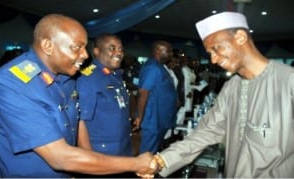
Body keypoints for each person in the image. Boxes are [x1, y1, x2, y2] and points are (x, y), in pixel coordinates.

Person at [0, 14, 156, 178]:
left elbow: (78, 121)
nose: (86, 55)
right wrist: (136, 163)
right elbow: (59, 158)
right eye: (76, 47)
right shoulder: (13, 85)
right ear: (48, 46)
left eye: (85, 47)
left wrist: (87, 166)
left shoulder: (65, 77)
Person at [148, 11, 294, 178]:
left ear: (240, 37)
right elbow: (207, 131)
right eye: (210, 53)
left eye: (216, 49)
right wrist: (162, 160)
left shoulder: (289, 81)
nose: (213, 60)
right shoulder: (232, 86)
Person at [77, 33, 133, 157]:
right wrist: (89, 159)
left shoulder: (116, 76)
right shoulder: (89, 79)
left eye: (120, 49)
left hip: (122, 147)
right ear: (97, 51)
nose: (118, 53)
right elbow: (81, 122)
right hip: (102, 152)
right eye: (112, 48)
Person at [133, 40, 178, 153]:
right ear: (158, 51)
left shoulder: (159, 66)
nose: (171, 54)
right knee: (147, 154)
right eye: (168, 51)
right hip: (153, 120)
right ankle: (143, 171)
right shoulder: (153, 68)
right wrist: (140, 117)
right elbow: (143, 92)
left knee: (153, 152)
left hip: (160, 119)